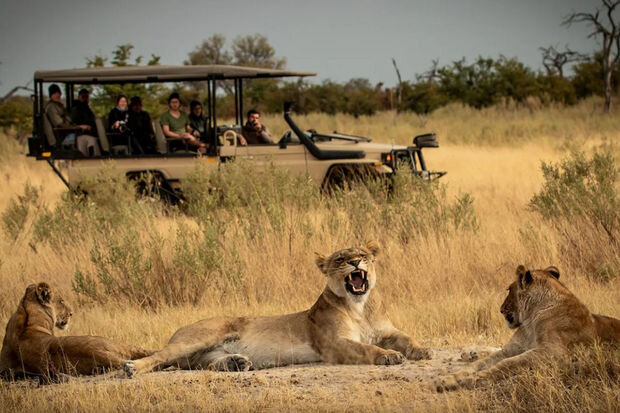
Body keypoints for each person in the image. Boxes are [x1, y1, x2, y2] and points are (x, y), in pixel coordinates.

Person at [45, 84, 101, 157]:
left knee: (91, 138)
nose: (57, 95)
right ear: (50, 95)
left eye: (58, 93)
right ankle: (96, 160)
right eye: (55, 93)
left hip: (69, 132)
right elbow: (60, 124)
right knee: (91, 140)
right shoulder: (51, 107)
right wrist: (79, 127)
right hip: (64, 136)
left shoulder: (59, 105)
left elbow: (69, 120)